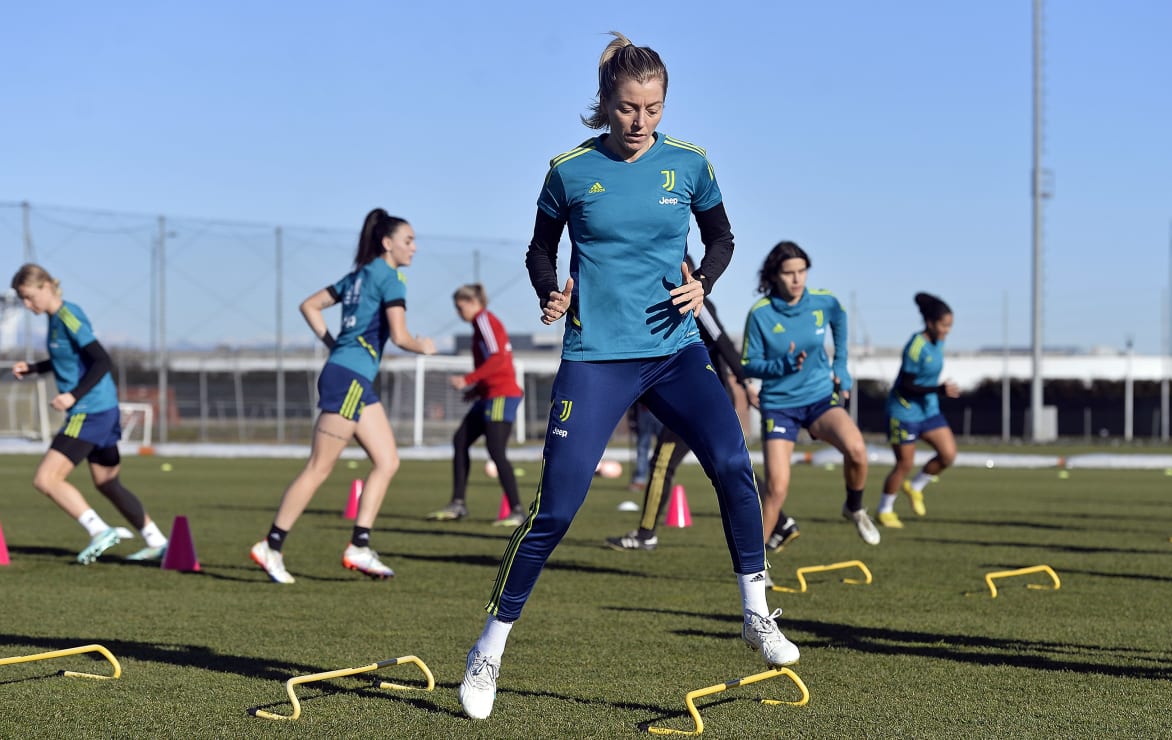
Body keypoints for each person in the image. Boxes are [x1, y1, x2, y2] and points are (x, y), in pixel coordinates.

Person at [458, 32, 798, 721]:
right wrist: (550, 292)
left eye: (653, 107)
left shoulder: (691, 165)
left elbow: (723, 237)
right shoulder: (570, 171)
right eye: (627, 107)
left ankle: (755, 612)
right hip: (595, 357)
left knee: (734, 462)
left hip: (675, 351)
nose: (640, 121)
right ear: (604, 103)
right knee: (554, 508)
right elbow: (539, 248)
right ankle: (488, 648)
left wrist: (702, 281)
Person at [249, 208, 436, 583]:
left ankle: (359, 546)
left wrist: (332, 343)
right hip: (349, 378)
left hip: (350, 377)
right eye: (409, 240)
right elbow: (400, 337)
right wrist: (423, 346)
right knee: (319, 468)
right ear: (388, 243)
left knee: (388, 461)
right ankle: (271, 545)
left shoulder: (358, 276)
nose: (415, 247)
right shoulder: (391, 279)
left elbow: (309, 305)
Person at [605, 292, 800, 552]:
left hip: (704, 398)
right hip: (692, 397)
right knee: (727, 463)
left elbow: (722, 341)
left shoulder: (694, 298)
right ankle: (782, 522)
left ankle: (645, 534)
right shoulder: (658, 301)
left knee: (664, 461)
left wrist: (746, 383)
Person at [9, 263, 170, 563]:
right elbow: (67, 359)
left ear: (45, 287)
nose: (27, 305)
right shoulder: (56, 320)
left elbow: (101, 360)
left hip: (89, 411)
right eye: (22, 299)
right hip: (102, 410)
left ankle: (98, 531)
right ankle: (157, 540)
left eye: (28, 297)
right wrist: (33, 368)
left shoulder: (68, 315)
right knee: (108, 483)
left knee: (46, 479)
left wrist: (73, 396)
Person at [741, 241, 879, 550]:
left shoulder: (823, 302)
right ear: (774, 276)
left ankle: (854, 507)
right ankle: (755, 568)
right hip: (779, 406)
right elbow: (749, 364)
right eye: (789, 273)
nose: (797, 279)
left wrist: (841, 366)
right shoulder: (761, 314)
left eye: (802, 271)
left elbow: (840, 321)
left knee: (857, 450)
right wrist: (782, 365)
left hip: (819, 398)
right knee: (776, 490)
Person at [428, 283, 526, 526]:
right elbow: (494, 362)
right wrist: (475, 390)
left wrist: (467, 379)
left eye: (460, 307)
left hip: (502, 395)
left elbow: (498, 358)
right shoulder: (478, 325)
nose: (458, 312)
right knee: (460, 440)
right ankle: (458, 504)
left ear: (473, 303)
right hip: (488, 395)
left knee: (496, 451)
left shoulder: (484, 319)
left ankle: (517, 510)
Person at [875, 293, 960, 528]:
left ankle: (916, 486)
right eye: (944, 325)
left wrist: (937, 392)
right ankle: (884, 510)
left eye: (950, 325)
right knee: (904, 464)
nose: (947, 330)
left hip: (928, 410)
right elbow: (906, 385)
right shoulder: (915, 347)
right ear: (930, 323)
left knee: (948, 454)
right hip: (903, 412)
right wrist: (939, 389)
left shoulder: (938, 342)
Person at [628, 402, 662, 492]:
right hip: (647, 411)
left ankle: (646, 479)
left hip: (655, 411)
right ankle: (642, 479)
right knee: (645, 447)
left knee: (648, 448)